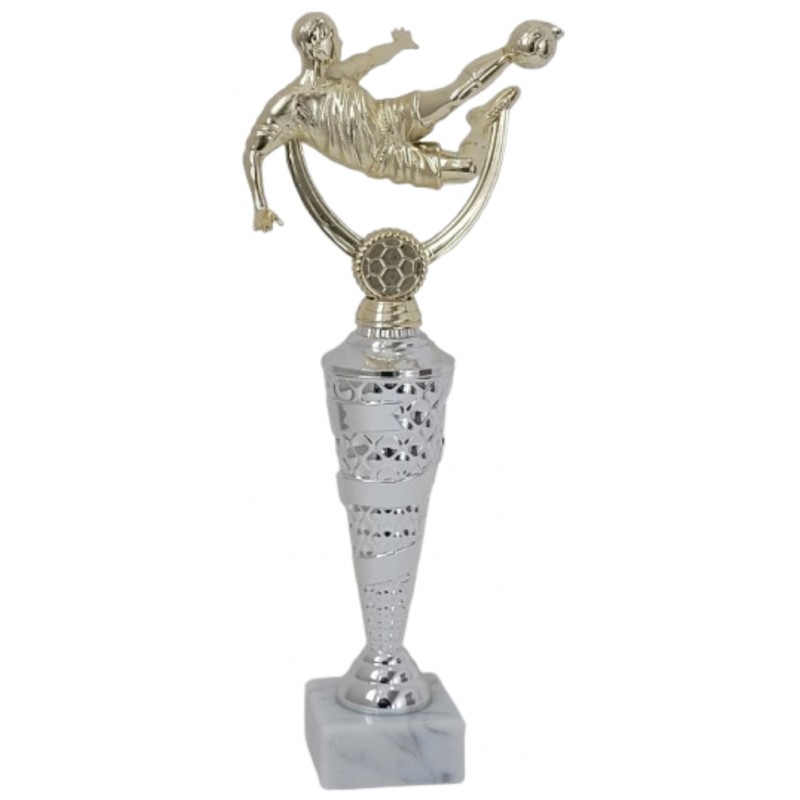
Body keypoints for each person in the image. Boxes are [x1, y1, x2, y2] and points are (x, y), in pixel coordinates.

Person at [244, 13, 562, 231]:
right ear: (314, 45)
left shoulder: (340, 73)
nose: (339, 42)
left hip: (391, 115)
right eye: (332, 37)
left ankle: (508, 53)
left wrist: (397, 46)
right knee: (469, 169)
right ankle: (480, 123)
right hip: (383, 156)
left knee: (453, 94)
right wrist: (260, 205)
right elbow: (254, 152)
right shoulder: (291, 104)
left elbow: (371, 58)